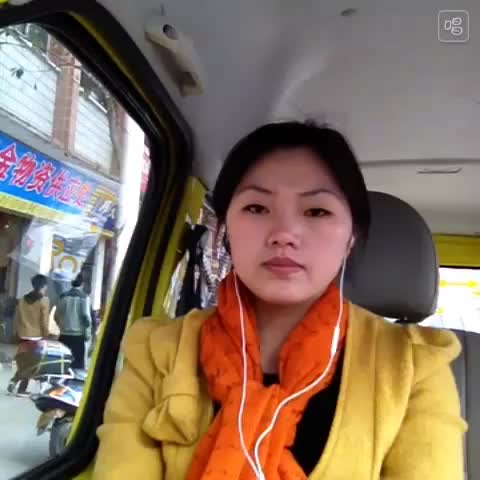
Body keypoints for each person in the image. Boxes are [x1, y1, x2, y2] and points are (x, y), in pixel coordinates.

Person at [93, 122, 466, 480]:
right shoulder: (156, 351)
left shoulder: (413, 368)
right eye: (257, 208)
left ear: (352, 238)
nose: (284, 234)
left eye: (317, 210)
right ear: (223, 229)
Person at [7, 274, 49, 396]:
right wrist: (46, 334)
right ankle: (20, 387)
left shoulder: (22, 300)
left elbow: (16, 318)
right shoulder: (44, 300)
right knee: (32, 364)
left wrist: (15, 332)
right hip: (36, 336)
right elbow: (44, 320)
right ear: (43, 286)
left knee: (25, 362)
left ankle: (16, 383)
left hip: (23, 335)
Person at [55, 273, 91, 370]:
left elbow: (56, 316)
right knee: (77, 365)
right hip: (78, 337)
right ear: (82, 284)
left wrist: (62, 326)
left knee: (62, 364)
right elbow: (86, 318)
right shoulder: (84, 297)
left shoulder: (62, 296)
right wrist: (87, 334)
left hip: (63, 335)